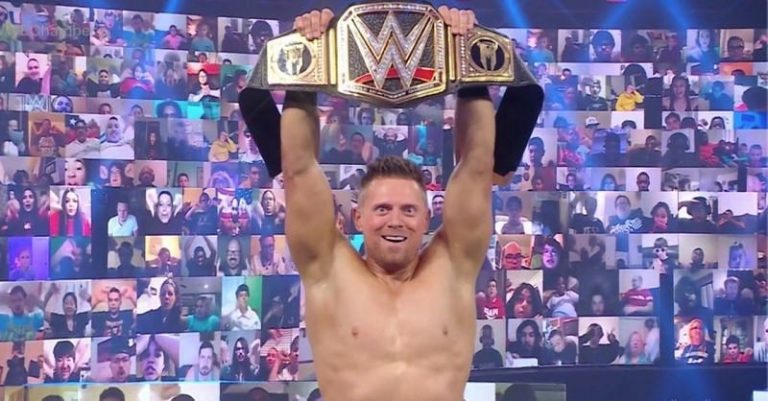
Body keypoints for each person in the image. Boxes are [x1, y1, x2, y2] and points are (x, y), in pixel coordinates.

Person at [256, 7, 513, 401]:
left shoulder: (454, 267)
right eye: (382, 209)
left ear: (427, 217)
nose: (396, 220)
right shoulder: (328, 270)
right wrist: (306, 61)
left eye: (409, 210)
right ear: (357, 217)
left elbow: (477, 166)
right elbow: (298, 169)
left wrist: (468, 57)